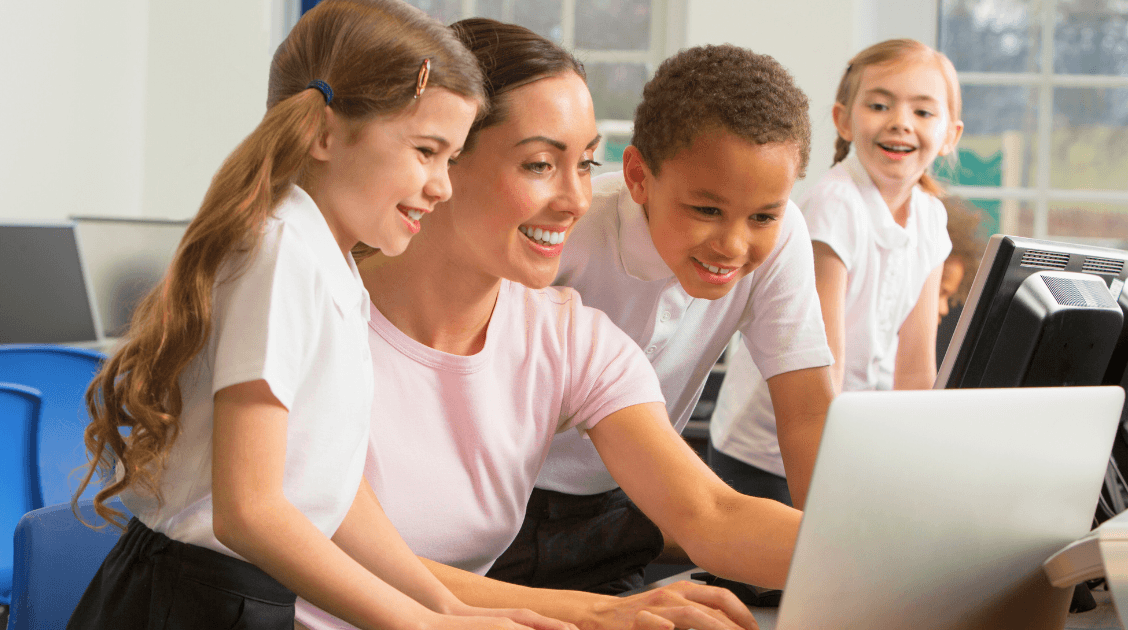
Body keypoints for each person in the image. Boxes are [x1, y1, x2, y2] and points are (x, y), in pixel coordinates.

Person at [66, 3, 568, 629]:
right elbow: (249, 513)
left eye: (451, 158)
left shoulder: (331, 263)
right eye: (426, 151)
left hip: (238, 596)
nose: (442, 185)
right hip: (190, 603)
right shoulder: (280, 254)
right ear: (325, 134)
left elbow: (327, 489)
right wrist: (423, 625)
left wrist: (444, 603)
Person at [295, 18, 799, 630]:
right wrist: (605, 612)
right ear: (443, 158)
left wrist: (902, 553)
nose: (577, 200)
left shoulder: (571, 338)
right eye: (539, 164)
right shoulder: (315, 315)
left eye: (585, 164)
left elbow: (712, 513)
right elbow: (343, 557)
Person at [486, 43, 834, 594]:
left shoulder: (783, 234)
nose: (733, 244)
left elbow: (807, 413)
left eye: (763, 215)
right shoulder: (564, 236)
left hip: (621, 507)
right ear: (638, 177)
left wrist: (847, 547)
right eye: (706, 210)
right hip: (498, 507)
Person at [712, 38, 965, 504]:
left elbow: (914, 367)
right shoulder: (834, 205)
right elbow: (826, 364)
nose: (900, 123)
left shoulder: (931, 217)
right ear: (844, 120)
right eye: (879, 104)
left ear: (951, 134)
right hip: (772, 454)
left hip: (851, 445)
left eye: (924, 112)